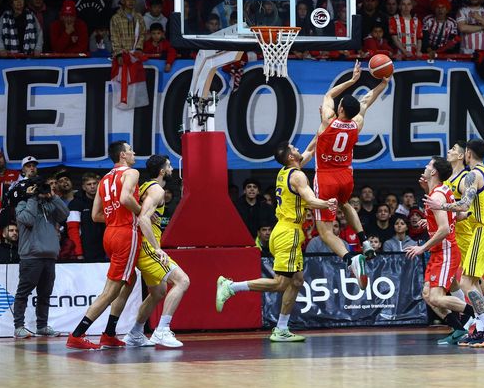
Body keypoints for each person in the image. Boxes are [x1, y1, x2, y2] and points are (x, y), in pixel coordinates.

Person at [215, 142, 337, 342]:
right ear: (291, 157)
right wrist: (329, 203)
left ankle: (281, 329)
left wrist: (325, 124)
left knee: (297, 281)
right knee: (281, 283)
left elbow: (311, 149)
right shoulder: (298, 176)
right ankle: (231, 287)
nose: (298, 148)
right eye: (294, 148)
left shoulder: (286, 171)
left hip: (285, 230)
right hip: (288, 233)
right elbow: (311, 200)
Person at [310, 61, 389, 289]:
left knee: (325, 232)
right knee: (345, 205)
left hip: (325, 176)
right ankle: (364, 242)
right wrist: (383, 83)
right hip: (346, 176)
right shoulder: (357, 123)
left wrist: (352, 80)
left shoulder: (327, 121)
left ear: (340, 109)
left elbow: (328, 94)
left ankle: (350, 259)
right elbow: (366, 101)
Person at [424, 139, 484, 347]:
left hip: (481, 229)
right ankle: (483, 327)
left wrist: (441, 206)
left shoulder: (471, 175)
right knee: (470, 280)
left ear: (467, 153)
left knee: (468, 282)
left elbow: (464, 205)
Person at [66, 141, 142, 350]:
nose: (133, 152)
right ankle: (77, 334)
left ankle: (109, 333)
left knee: (130, 280)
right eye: (130, 150)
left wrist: (115, 218)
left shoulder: (105, 179)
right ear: (123, 156)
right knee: (111, 291)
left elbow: (95, 215)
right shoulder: (131, 173)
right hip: (126, 233)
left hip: (109, 233)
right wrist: (143, 212)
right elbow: (126, 198)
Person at [116, 154, 191, 348]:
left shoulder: (145, 187)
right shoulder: (156, 189)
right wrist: (157, 249)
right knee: (183, 281)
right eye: (169, 166)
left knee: (158, 292)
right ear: (161, 171)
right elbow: (143, 218)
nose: (172, 169)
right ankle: (162, 330)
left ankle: (135, 334)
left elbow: (141, 212)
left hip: (142, 245)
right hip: (147, 247)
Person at [405, 156, 474, 346]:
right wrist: (430, 220)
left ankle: (482, 315)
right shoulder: (441, 191)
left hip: (445, 252)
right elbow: (457, 216)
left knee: (435, 297)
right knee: (427, 295)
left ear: (434, 172)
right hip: (441, 252)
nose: (425, 167)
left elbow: (444, 229)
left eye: (428, 165)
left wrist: (422, 247)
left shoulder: (437, 196)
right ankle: (459, 329)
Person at [13, 177, 69, 339]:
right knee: (23, 293)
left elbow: (64, 214)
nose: (40, 191)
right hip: (31, 257)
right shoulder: (22, 206)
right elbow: (28, 220)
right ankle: (19, 327)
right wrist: (32, 198)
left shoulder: (49, 205)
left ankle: (42, 326)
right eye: (37, 188)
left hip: (49, 256)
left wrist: (53, 196)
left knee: (45, 293)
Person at [67, 172, 106, 262]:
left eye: (94, 183)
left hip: (105, 250)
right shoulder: (75, 204)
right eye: (89, 184)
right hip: (85, 251)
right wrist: (78, 253)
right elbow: (73, 230)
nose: (92, 186)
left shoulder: (105, 201)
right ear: (84, 187)